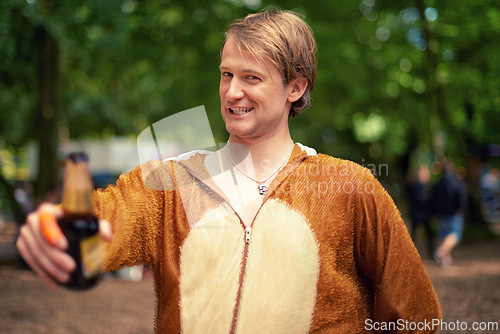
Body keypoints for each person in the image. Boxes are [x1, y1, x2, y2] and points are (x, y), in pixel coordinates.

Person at [16, 9, 441, 333]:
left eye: (251, 78)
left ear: (296, 87)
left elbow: (413, 313)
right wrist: (60, 231)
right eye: (226, 74)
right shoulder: (169, 183)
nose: (232, 92)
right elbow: (96, 230)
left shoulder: (350, 188)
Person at [430, 159, 465, 268]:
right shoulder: (456, 183)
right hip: (453, 213)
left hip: (441, 214)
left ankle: (446, 260)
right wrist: (459, 208)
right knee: (455, 235)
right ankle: (440, 252)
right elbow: (459, 198)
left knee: (444, 235)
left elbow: (432, 200)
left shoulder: (436, 185)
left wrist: (434, 212)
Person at [407, 165, 434, 258]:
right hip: (421, 214)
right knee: (427, 234)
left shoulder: (416, 185)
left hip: (418, 214)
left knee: (416, 235)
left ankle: (411, 253)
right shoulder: (420, 186)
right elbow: (420, 200)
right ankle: (412, 254)